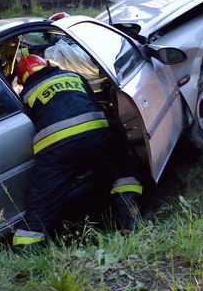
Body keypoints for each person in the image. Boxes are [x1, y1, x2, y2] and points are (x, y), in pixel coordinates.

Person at [11, 53, 143, 247]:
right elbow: (96, 106)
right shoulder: (73, 77)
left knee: (43, 202)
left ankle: (25, 248)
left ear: (23, 79)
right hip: (95, 137)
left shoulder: (26, 95)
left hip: (57, 149)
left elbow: (28, 124)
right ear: (46, 64)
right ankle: (131, 224)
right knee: (124, 173)